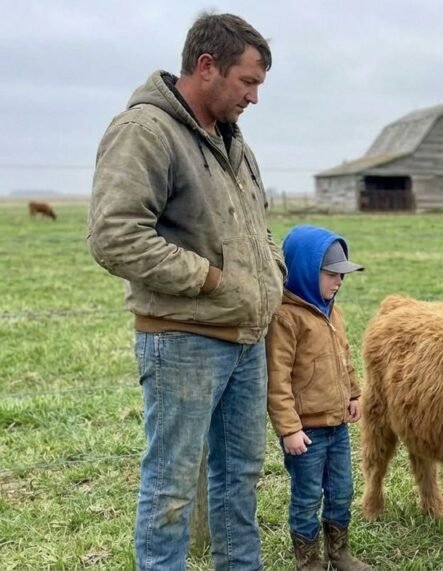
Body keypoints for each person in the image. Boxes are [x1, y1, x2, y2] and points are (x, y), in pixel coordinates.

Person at [87, 12, 284, 570]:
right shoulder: (145, 131)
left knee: (239, 482)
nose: (253, 97)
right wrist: (211, 279)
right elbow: (114, 236)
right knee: (171, 487)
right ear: (206, 67)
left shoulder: (232, 140)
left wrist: (269, 269)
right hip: (183, 342)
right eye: (248, 82)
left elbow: (255, 223)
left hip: (246, 341)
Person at [266, 225, 371, 571]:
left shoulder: (332, 312)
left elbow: (344, 356)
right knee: (307, 497)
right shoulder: (286, 318)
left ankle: (339, 553)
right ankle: (309, 561)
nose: (338, 283)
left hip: (338, 426)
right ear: (305, 272)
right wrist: (289, 429)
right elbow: (277, 380)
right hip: (306, 433)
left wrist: (354, 394)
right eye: (330, 275)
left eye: (341, 276)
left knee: (342, 492)